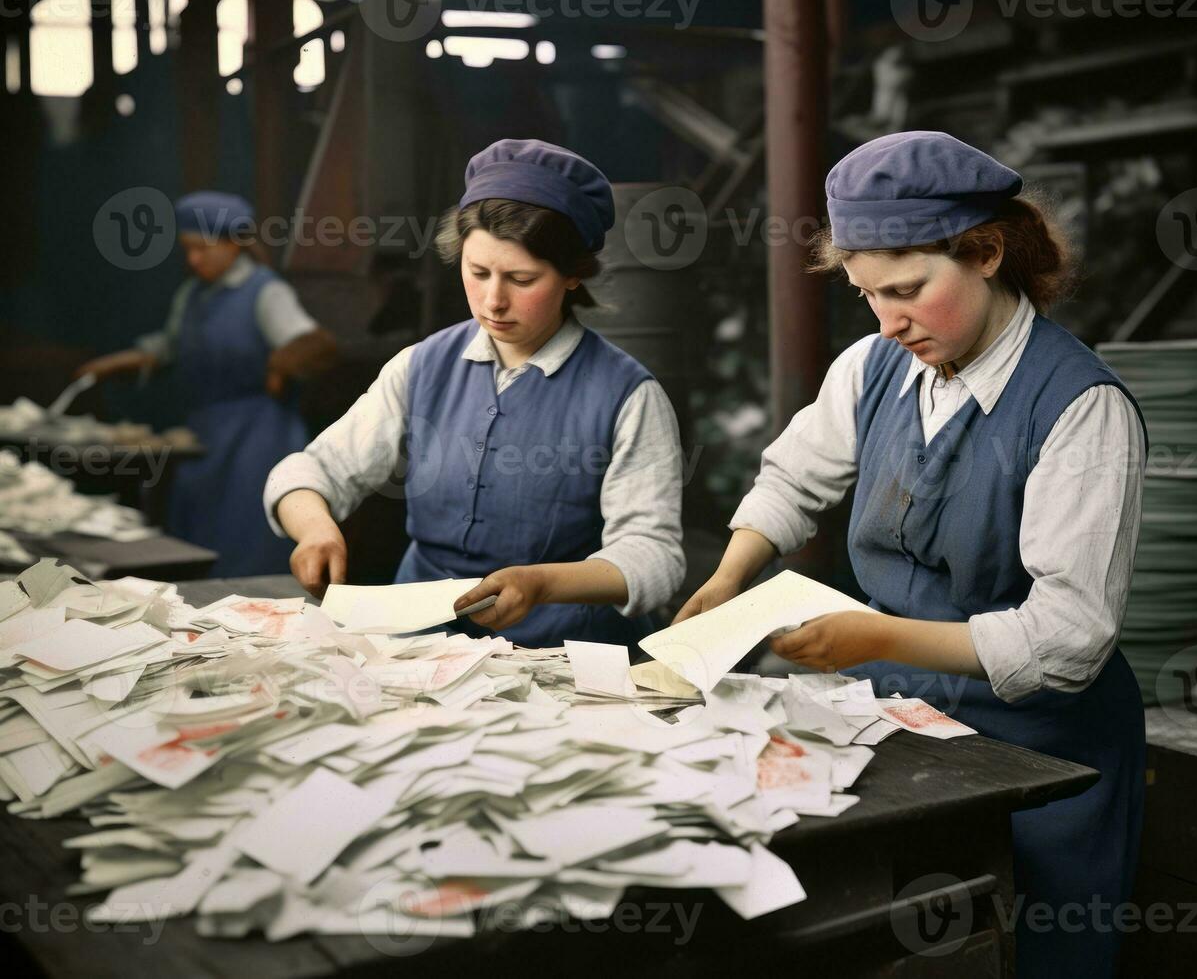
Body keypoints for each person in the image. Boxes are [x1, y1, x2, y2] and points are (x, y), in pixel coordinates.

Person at [676, 131, 1147, 976]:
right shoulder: (872, 369)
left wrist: (879, 638)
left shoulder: (1079, 409)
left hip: (1042, 740)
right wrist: (727, 575)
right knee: (906, 941)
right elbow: (791, 480)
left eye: (908, 291)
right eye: (866, 295)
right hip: (904, 717)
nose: (888, 321)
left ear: (987, 252)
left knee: (1031, 944)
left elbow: (1070, 634)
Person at [265, 139, 685, 648]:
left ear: (574, 274)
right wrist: (315, 528)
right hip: (418, 648)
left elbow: (655, 556)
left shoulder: (627, 395)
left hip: (563, 657)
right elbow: (311, 471)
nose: (493, 300)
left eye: (521, 279)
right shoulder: (421, 366)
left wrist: (544, 582)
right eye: (478, 271)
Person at [77, 191, 337, 576]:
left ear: (234, 243)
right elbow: (171, 344)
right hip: (206, 433)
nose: (193, 259)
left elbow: (311, 344)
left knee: (244, 541)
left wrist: (280, 366)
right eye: (187, 249)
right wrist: (118, 363)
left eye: (202, 248)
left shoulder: (266, 292)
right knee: (201, 535)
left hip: (257, 438)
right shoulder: (193, 293)